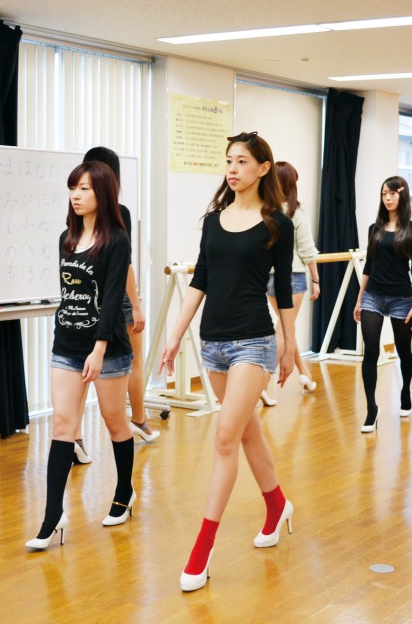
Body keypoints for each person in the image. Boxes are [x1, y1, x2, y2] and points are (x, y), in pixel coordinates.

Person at [160, 132, 296, 592]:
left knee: (224, 437)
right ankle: (277, 505)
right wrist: (175, 336)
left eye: (242, 161)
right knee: (246, 431)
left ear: (263, 168)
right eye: (228, 161)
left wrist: (289, 344)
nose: (232, 169)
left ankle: (202, 550)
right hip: (213, 343)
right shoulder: (213, 221)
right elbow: (200, 279)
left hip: (254, 342)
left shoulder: (276, 224)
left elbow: (282, 289)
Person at [26, 161, 136, 550]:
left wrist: (100, 347)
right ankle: (52, 516)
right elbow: (69, 294)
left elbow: (112, 298)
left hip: (107, 347)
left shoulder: (117, 240)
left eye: (85, 188)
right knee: (62, 426)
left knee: (114, 421)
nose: (76, 194)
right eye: (73, 187)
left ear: (102, 194)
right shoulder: (67, 238)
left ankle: (124, 490)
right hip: (67, 345)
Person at [71, 147, 158, 466]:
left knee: (80, 370)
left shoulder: (76, 214)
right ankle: (139, 421)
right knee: (133, 361)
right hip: (115, 298)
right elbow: (126, 266)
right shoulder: (119, 212)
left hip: (83, 300)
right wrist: (136, 305)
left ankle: (75, 437)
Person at [353, 176, 412, 432]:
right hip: (373, 297)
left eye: (392, 193)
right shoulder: (375, 228)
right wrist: (359, 299)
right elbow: (369, 266)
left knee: (404, 351)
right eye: (384, 193)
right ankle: (372, 408)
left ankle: (405, 391)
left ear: (402, 196)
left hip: (401, 299)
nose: (388, 198)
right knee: (370, 352)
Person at [265, 161, 320, 395]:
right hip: (293, 277)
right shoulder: (295, 212)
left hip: (269, 278)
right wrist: (316, 279)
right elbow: (307, 249)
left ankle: (304, 372)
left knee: (286, 327)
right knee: (282, 330)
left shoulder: (265, 211)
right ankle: (260, 383)